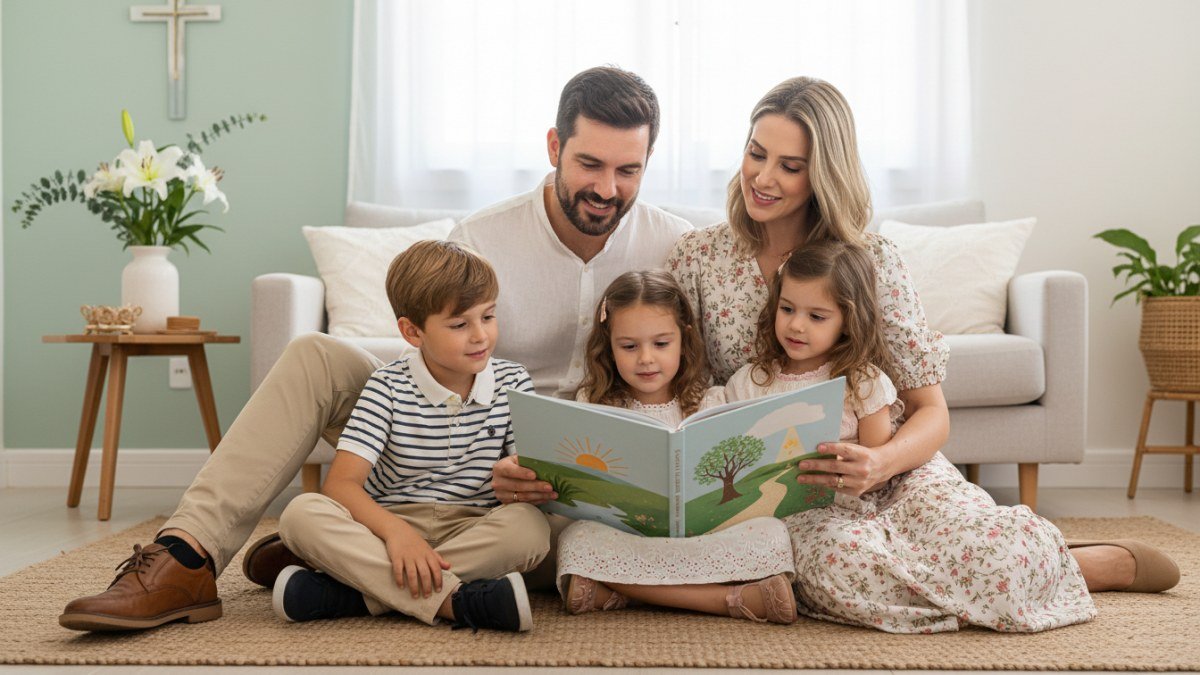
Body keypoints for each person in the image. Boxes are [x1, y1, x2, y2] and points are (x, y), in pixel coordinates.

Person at [59, 65, 690, 632]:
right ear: (554, 147)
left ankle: (347, 572)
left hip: (567, 486)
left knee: (543, 542)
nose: (607, 188)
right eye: (590, 164)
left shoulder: (675, 246)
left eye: (628, 170)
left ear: (648, 162)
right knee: (316, 355)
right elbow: (429, 361)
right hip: (458, 432)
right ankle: (186, 558)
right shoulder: (482, 236)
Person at [663, 75, 1179, 632]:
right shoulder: (698, 257)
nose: (763, 178)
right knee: (839, 569)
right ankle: (1041, 571)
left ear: (824, 174)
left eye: (790, 166)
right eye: (756, 154)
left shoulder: (872, 260)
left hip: (891, 472)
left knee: (994, 558)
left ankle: (1076, 563)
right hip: (780, 498)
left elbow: (931, 411)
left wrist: (880, 462)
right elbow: (676, 383)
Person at [268, 240, 544, 632]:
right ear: (413, 331)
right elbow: (342, 486)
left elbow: (524, 476)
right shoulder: (387, 386)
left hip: (473, 525)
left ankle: (357, 595)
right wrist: (398, 534)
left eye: (488, 316)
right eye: (460, 324)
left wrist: (521, 476)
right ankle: (458, 601)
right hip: (387, 526)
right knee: (300, 514)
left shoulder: (513, 382)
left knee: (530, 527)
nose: (481, 335)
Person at [559, 270, 797, 624]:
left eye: (660, 344)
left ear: (684, 340)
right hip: (630, 533)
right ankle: (732, 599)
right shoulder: (595, 404)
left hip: (706, 534)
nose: (646, 359)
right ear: (608, 346)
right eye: (628, 346)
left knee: (773, 535)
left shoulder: (712, 400)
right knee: (576, 539)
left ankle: (622, 591)